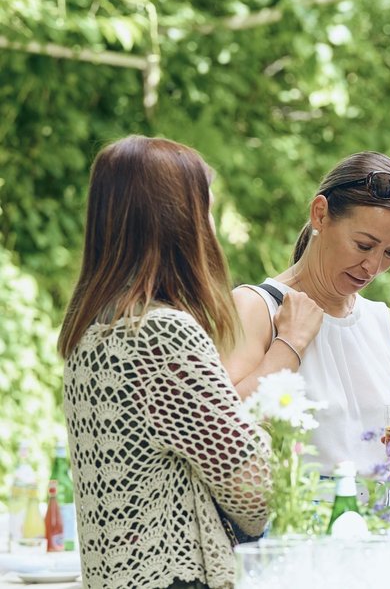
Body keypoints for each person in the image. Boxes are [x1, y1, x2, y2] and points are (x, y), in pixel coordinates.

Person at [57, 135, 271, 589]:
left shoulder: (89, 333)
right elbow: (252, 490)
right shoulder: (161, 335)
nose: (211, 229)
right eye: (206, 213)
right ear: (178, 222)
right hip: (172, 577)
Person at [223, 151, 390, 474]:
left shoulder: (388, 325)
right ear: (320, 214)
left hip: (384, 520)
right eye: (363, 245)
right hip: (296, 522)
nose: (373, 267)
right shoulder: (256, 307)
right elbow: (220, 429)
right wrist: (288, 345)